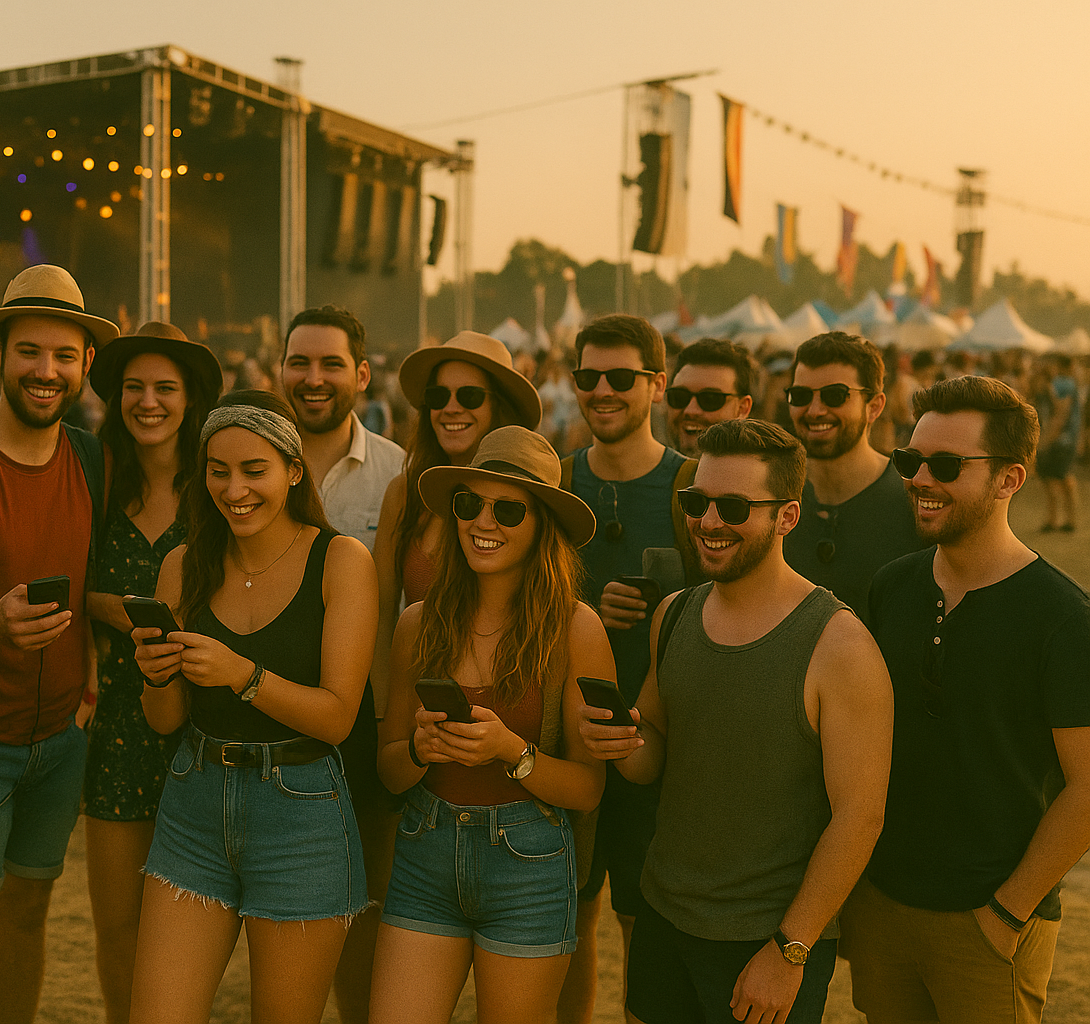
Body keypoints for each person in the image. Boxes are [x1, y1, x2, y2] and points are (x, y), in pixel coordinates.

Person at [581, 418, 893, 1024]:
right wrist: (619, 741)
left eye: (733, 506)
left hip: (765, 940)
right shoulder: (674, 614)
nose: (709, 521)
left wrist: (790, 950)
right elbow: (654, 754)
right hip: (663, 915)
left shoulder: (838, 644)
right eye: (697, 502)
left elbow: (861, 817)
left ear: (786, 517)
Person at [842, 376, 1090, 1024]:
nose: (920, 478)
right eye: (910, 460)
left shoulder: (1062, 618)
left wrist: (1008, 911)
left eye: (946, 465)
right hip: (884, 906)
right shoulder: (892, 587)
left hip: (989, 921)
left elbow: (1088, 786)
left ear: (1011, 478)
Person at [129, 391, 378, 1024]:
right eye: (218, 470)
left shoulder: (340, 561)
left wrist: (243, 675)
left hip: (302, 814)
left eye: (254, 470)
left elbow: (337, 718)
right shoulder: (184, 565)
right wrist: (156, 676)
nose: (234, 488)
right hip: (193, 802)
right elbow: (164, 721)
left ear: (294, 471)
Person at [370, 426, 611, 1024]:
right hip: (426, 854)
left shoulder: (576, 629)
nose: (484, 521)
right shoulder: (417, 624)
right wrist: (422, 749)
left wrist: (512, 751)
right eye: (469, 503)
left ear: (542, 526)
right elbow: (390, 770)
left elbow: (589, 789)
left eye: (508, 509)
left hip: (527, 864)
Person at [0, 264, 118, 1024]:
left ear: (87, 363)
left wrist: (89, 689)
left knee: (29, 917)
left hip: (61, 740)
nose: (46, 371)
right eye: (30, 351)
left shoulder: (90, 458)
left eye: (64, 355)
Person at [80, 322, 220, 1024]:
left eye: (165, 387)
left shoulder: (218, 485)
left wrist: (115, 609)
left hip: (204, 722)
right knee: (117, 924)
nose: (148, 401)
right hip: (115, 723)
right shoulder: (95, 476)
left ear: (190, 398)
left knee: (195, 930)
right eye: (134, 387)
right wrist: (109, 609)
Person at [557, 313, 693, 1023]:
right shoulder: (555, 481)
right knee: (565, 925)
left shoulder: (689, 488)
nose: (601, 392)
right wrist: (582, 608)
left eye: (620, 378)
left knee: (646, 923)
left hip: (657, 748)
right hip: (562, 742)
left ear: (657, 386)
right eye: (588, 378)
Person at [278, 304, 405, 1023]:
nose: (314, 378)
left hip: (362, 723)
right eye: (300, 362)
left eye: (331, 364)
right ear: (280, 368)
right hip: (266, 714)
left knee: (364, 911)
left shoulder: (398, 473)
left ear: (361, 373)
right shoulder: (250, 464)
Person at [373, 331, 542, 716]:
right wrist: (382, 718)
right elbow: (382, 616)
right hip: (417, 712)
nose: (450, 408)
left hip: (509, 709)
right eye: (437, 397)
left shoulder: (534, 497)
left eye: (468, 396)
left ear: (499, 407)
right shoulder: (405, 493)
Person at [782, 331, 922, 623]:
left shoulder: (916, 498)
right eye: (801, 396)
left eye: (835, 395)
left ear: (874, 406)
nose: (815, 410)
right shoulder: (767, 496)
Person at [665, 338, 754, 457]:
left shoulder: (763, 474)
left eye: (710, 399)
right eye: (679, 397)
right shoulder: (644, 473)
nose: (690, 411)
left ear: (743, 408)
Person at [1036, 353, 1080, 532]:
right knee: (1053, 478)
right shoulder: (1062, 383)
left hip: (1061, 440)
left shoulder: (1063, 384)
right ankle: (1060, 519)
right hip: (1063, 439)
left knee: (1059, 478)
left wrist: (1045, 441)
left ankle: (1064, 519)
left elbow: (1060, 414)